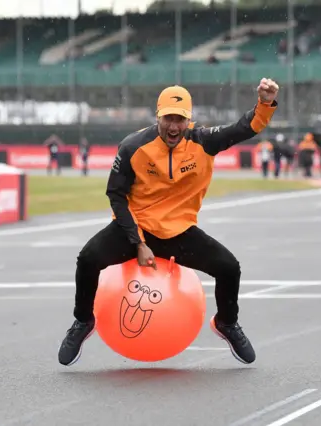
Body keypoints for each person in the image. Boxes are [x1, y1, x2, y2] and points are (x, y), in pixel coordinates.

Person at [58, 78, 280, 366]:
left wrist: (265, 104)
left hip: (179, 231)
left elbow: (244, 128)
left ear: (190, 120)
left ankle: (226, 323)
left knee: (229, 268)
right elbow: (116, 195)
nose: (174, 127)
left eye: (180, 119)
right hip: (135, 228)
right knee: (88, 259)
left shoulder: (203, 142)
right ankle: (83, 321)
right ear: (158, 117)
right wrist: (138, 242)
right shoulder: (133, 146)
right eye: (168, 119)